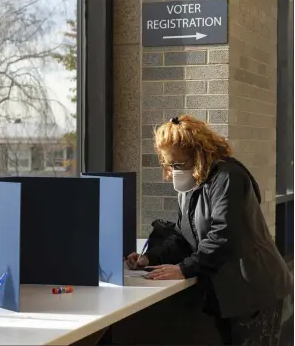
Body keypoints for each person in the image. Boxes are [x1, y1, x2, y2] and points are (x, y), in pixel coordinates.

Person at [126, 115, 293, 345]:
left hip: (255, 291)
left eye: (178, 164)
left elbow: (223, 236)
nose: (174, 171)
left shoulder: (228, 177)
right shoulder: (190, 184)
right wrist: (149, 258)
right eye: (168, 164)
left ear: (198, 153)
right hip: (229, 295)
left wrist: (184, 268)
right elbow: (183, 234)